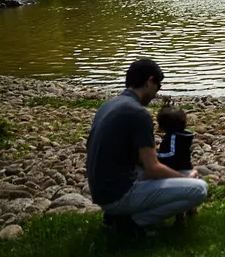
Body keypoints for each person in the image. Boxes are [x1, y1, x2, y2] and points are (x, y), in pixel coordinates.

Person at [86, 59, 208, 236]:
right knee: (198, 188)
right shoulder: (138, 113)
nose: (156, 93)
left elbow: (134, 158)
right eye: (158, 87)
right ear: (149, 81)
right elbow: (152, 168)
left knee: (178, 178)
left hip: (102, 191)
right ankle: (131, 223)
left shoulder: (108, 105)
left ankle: (116, 216)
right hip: (118, 194)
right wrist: (186, 177)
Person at [155, 98, 197, 224]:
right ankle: (192, 209)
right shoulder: (184, 135)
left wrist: (158, 156)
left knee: (179, 194)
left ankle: (180, 218)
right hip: (186, 166)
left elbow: (172, 153)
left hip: (177, 169)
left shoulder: (173, 137)